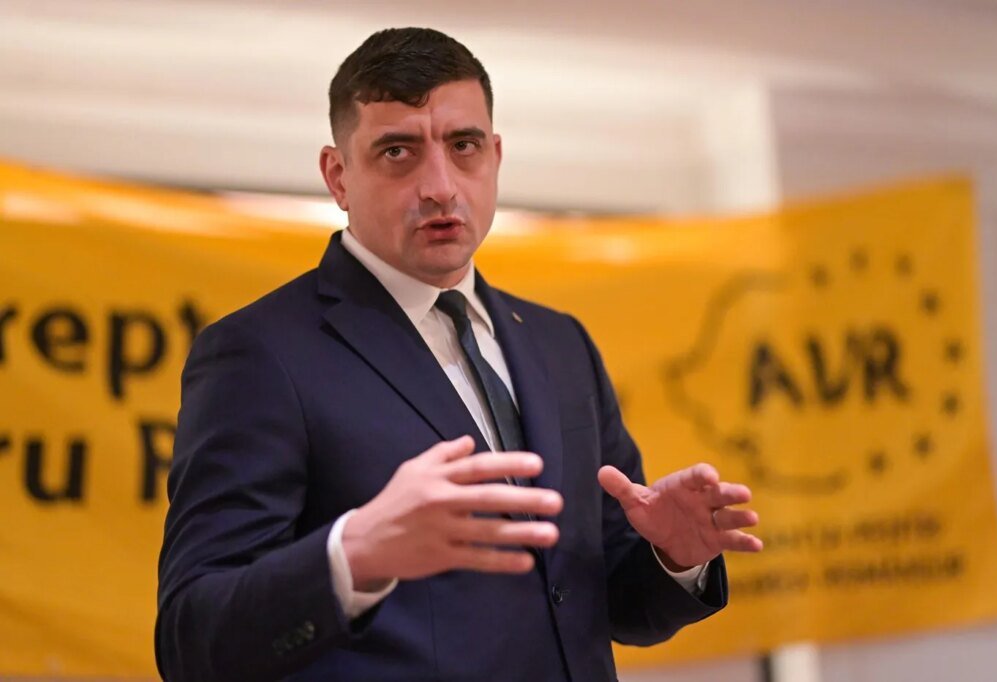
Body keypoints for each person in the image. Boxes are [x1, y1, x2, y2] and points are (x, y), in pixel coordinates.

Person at [155, 27, 762, 682]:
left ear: (495, 155)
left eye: (463, 146)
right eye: (398, 151)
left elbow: (598, 599)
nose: (440, 186)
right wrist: (354, 555)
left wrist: (674, 558)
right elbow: (193, 641)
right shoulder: (262, 353)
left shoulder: (560, 344)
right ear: (338, 176)